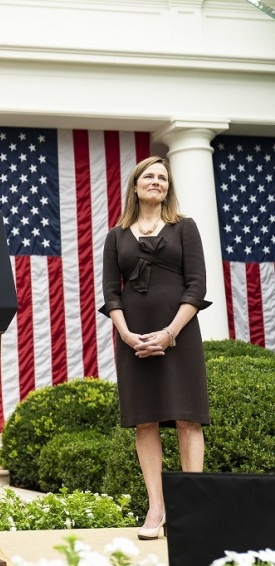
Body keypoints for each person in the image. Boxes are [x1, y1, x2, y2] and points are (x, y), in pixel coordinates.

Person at [99, 156, 211, 541]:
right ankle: (157, 508)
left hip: (178, 334)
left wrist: (169, 333)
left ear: (168, 188)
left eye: (163, 178)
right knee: (145, 420)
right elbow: (111, 294)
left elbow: (197, 286)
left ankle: (193, 509)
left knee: (186, 418)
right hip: (134, 338)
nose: (157, 182)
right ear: (135, 185)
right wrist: (129, 336)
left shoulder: (185, 228)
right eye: (149, 176)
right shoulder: (116, 236)